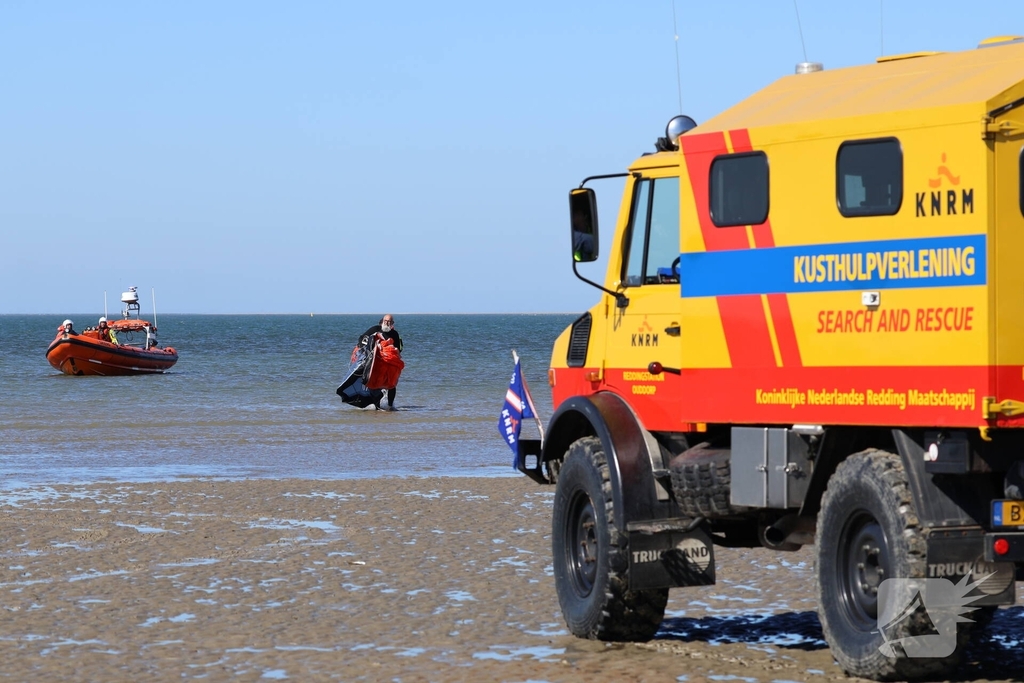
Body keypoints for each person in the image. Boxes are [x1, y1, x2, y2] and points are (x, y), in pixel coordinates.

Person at [358, 314, 403, 410]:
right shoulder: (375, 329)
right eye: (385, 321)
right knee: (374, 382)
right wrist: (364, 349)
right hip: (375, 362)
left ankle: (390, 406)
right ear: (382, 321)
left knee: (391, 384)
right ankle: (376, 405)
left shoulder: (395, 334)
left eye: (389, 322)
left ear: (392, 323)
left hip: (388, 362)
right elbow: (362, 338)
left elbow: (399, 348)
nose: (387, 323)